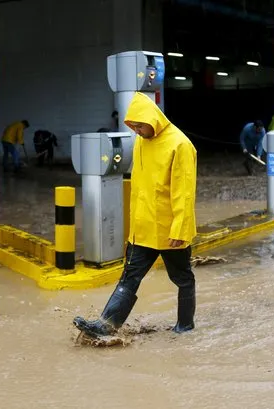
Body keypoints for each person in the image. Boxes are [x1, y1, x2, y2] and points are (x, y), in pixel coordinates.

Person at [73, 92, 198, 338]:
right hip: (142, 230)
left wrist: (180, 229)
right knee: (129, 277)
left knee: (182, 278)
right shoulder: (143, 141)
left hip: (169, 229)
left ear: (153, 120)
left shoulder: (180, 145)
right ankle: (105, 326)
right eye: (133, 127)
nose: (137, 131)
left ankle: (185, 326)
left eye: (140, 126)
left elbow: (184, 193)